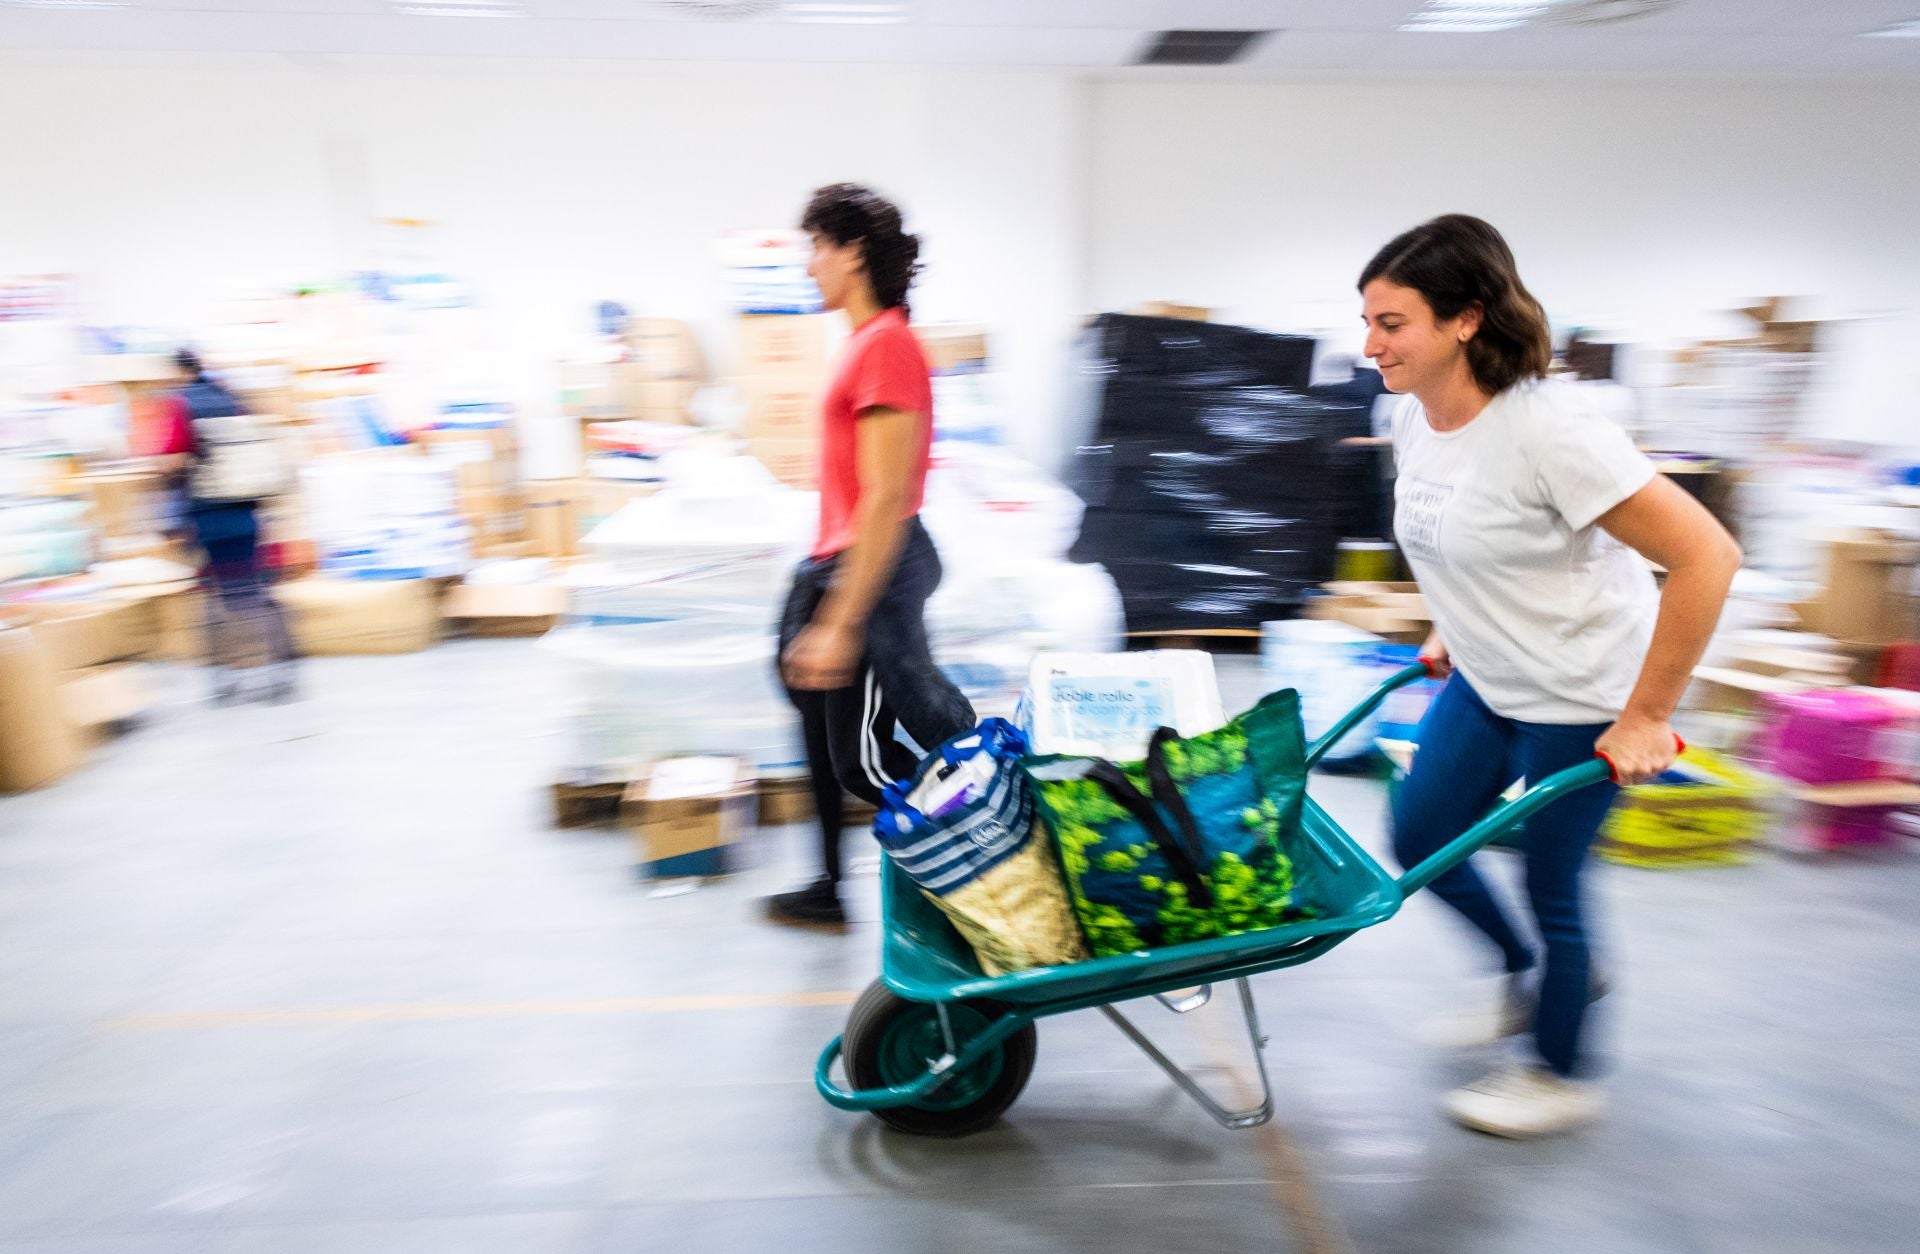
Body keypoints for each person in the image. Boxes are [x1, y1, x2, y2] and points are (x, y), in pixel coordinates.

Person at [1360, 215, 1740, 1138]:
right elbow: (1450, 536)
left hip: (1583, 693)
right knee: (1422, 836)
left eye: (1392, 323)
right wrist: (1454, 625)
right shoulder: (1412, 412)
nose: (1370, 345)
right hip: (1490, 677)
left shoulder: (1552, 429)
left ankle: (1561, 1071)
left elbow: (1708, 556)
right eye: (1367, 320)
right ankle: (1527, 980)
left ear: (1465, 321)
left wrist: (1648, 715)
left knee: (1553, 882)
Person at [764, 184, 976, 931]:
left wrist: (843, 621)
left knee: (875, 755)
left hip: (875, 566)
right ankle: (827, 886)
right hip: (838, 558)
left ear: (852, 252)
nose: (809, 265)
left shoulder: (885, 345)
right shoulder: (864, 342)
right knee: (824, 726)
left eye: (817, 247)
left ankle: (987, 863)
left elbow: (885, 498)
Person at [173, 349, 299, 704]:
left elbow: (172, 459)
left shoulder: (180, 404)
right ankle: (282, 672)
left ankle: (224, 680)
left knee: (217, 595)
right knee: (257, 591)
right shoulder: (231, 397)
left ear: (178, 370)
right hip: (249, 512)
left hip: (210, 515)